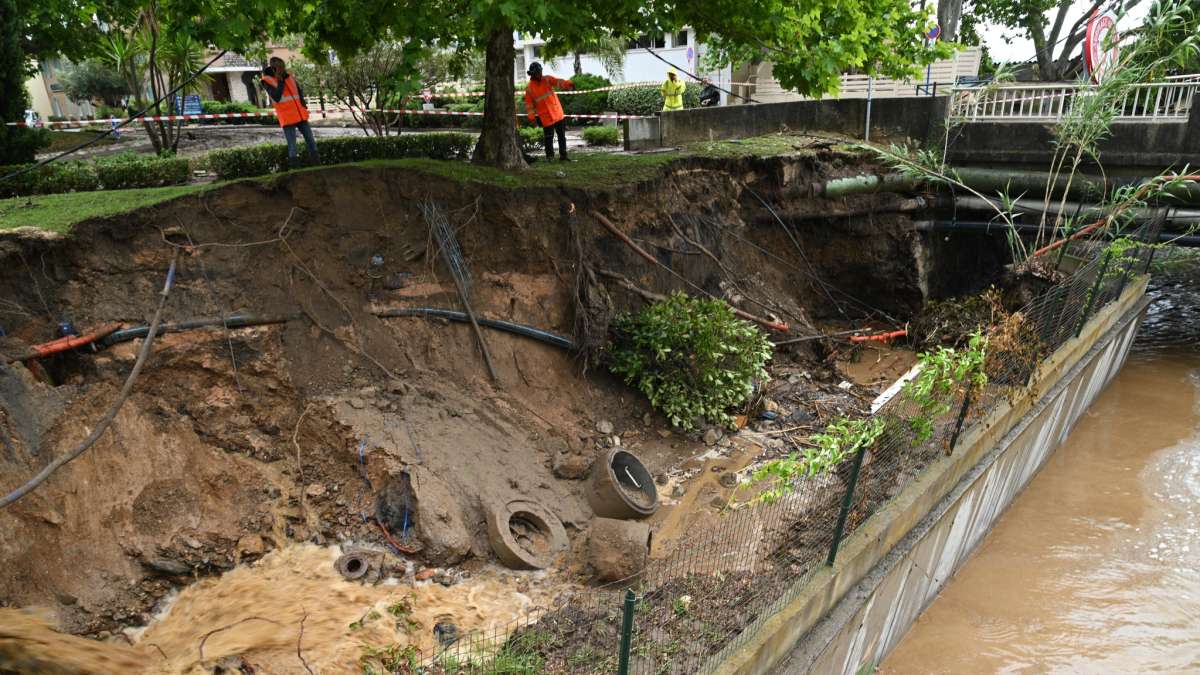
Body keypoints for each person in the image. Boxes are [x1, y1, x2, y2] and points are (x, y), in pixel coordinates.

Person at [261, 57, 318, 166]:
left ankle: (317, 165)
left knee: (311, 141)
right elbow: (276, 97)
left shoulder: (289, 77)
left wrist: (303, 105)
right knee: (292, 145)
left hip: (300, 115)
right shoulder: (266, 80)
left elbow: (299, 92)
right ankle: (295, 170)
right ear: (274, 69)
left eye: (283, 67)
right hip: (287, 117)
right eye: (280, 68)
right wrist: (280, 81)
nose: (282, 70)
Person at [523, 62, 574, 161]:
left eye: (540, 71)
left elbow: (559, 82)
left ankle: (564, 155)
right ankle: (550, 157)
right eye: (538, 72)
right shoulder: (529, 88)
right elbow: (529, 105)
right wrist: (532, 117)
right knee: (548, 138)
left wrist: (569, 84)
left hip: (557, 113)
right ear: (533, 74)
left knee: (562, 136)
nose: (540, 73)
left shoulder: (547, 79)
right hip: (546, 117)